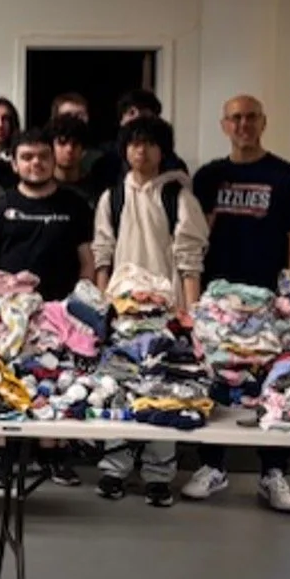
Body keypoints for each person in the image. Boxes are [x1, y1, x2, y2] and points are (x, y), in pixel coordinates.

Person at [181, 94, 290, 515]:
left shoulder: (288, 177)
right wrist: (196, 297)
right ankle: (212, 466)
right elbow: (191, 238)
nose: (243, 125)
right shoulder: (208, 177)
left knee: (271, 383)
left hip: (267, 299)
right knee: (215, 381)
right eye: (235, 118)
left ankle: (273, 473)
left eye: (251, 117)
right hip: (218, 300)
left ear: (263, 122)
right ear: (225, 125)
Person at [91, 114, 209, 508]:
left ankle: (160, 475)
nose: (140, 150)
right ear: (125, 150)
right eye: (134, 142)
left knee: (167, 387)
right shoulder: (113, 197)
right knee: (118, 385)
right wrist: (102, 308)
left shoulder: (178, 196)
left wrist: (190, 317)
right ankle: (114, 468)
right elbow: (102, 255)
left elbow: (190, 260)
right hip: (122, 313)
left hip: (167, 312)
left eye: (149, 143)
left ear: (163, 150)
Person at [0, 128, 96, 487]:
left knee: (56, 381)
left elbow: (86, 260)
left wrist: (81, 304)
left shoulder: (73, 205)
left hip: (60, 313)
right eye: (26, 157)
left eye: (42, 156)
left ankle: (54, 455)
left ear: (54, 159)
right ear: (14, 162)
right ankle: (3, 457)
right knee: (6, 380)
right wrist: (0, 297)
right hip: (10, 314)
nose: (35, 163)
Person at [90, 89, 189, 189]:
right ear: (121, 120)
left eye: (144, 113)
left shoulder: (173, 163)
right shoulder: (105, 162)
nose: (137, 118)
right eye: (131, 113)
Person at [50, 113, 106, 208]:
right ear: (50, 148)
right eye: (62, 143)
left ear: (84, 150)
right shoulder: (42, 186)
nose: (69, 149)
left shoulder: (97, 189)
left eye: (75, 144)